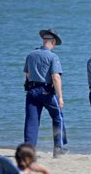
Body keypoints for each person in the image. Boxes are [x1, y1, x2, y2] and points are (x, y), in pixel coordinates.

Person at [23, 29, 68, 158]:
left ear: (44, 40)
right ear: (53, 42)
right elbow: (56, 77)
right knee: (57, 117)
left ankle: (28, 151)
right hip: (46, 91)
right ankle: (58, 148)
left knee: (32, 121)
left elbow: (27, 74)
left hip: (31, 91)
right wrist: (60, 97)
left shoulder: (31, 54)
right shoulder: (53, 56)